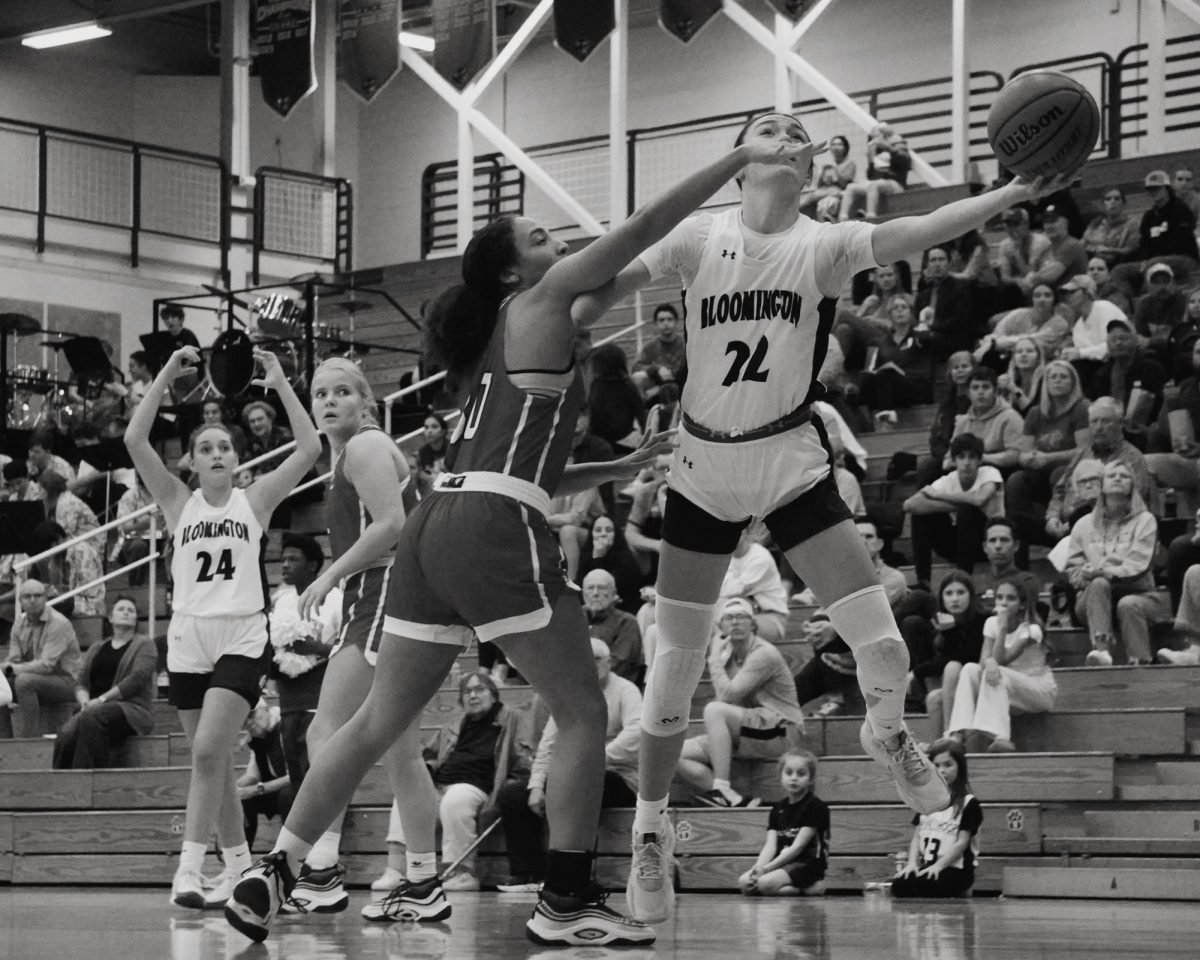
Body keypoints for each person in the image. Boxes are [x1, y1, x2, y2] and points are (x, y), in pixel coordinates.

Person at [227, 133, 802, 947]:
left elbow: (516, 470)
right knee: (580, 713)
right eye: (539, 239)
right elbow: (637, 231)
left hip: (439, 532)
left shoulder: (505, 336)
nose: (557, 242)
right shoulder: (539, 301)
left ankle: (274, 868)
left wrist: (618, 462)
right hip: (492, 533)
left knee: (373, 726)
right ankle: (565, 899)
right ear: (511, 272)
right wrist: (734, 164)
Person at [572, 109, 1070, 925]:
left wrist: (1011, 190)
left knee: (884, 643)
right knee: (671, 671)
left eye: (802, 127)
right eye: (773, 124)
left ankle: (886, 733)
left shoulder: (822, 243)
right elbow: (604, 283)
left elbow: (920, 227)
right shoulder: (700, 237)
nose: (793, 133)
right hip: (701, 466)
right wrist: (556, 313)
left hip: (790, 460)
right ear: (744, 155)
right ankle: (652, 832)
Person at [124, 343, 320, 910]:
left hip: (239, 635)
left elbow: (309, 448)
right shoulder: (176, 501)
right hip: (187, 638)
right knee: (209, 761)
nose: (215, 453)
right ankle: (239, 869)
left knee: (210, 749)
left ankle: (187, 870)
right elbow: (136, 440)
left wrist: (281, 381)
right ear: (191, 461)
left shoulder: (254, 501)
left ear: (236, 459)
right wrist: (164, 376)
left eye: (224, 447)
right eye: (205, 447)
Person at [275, 358, 444, 919]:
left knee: (326, 728)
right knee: (398, 749)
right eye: (320, 392)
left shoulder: (366, 447)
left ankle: (320, 867)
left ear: (365, 402)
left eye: (342, 391)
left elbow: (392, 523)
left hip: (386, 586)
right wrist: (280, 383)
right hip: (390, 590)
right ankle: (424, 881)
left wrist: (327, 574)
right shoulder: (346, 452)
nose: (329, 401)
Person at [496, 638, 641, 893]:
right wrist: (536, 784)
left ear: (609, 662)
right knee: (512, 794)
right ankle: (528, 874)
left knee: (577, 784)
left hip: (618, 776)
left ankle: (570, 875)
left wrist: (595, 759)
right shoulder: (571, 694)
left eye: (597, 659)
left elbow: (637, 733)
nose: (591, 664)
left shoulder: (626, 690)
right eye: (586, 658)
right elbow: (549, 744)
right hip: (575, 771)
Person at [387, 670, 534, 893]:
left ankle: (462, 873)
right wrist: (427, 768)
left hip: (477, 786)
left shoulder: (512, 719)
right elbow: (429, 755)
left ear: (494, 695)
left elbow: (523, 756)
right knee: (406, 799)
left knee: (455, 800)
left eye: (479, 689)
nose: (473, 695)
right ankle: (396, 870)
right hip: (440, 784)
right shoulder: (454, 726)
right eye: (467, 691)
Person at [677, 598, 805, 808]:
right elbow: (726, 702)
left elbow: (727, 698)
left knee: (713, 710)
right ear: (720, 626)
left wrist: (713, 660)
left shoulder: (763, 653)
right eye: (729, 618)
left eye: (741, 617)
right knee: (672, 753)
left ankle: (722, 786)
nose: (735, 622)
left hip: (784, 731)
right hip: (753, 730)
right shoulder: (729, 656)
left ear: (753, 624)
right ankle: (732, 798)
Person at [1066, 461, 1164, 666]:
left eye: (1124, 476)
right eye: (1112, 476)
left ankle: (1141, 662)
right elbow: (1072, 569)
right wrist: (1083, 574)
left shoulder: (1145, 520)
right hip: (1092, 600)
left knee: (1127, 603)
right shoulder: (1083, 524)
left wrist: (1103, 570)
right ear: (1102, 485)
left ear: (1132, 486)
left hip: (1141, 595)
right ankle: (1101, 652)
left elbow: (1138, 566)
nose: (1118, 479)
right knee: (1098, 584)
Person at [266, 533, 340, 793]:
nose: (285, 564)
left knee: (317, 774)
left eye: (293, 559)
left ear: (311, 565)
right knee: (296, 775)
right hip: (288, 701)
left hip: (320, 699)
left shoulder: (335, 601)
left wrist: (313, 648)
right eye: (283, 559)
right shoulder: (281, 602)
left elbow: (350, 653)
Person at [947, 577, 1056, 751]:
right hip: (1008, 690)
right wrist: (989, 660)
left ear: (1021, 605)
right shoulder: (991, 623)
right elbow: (985, 662)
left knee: (999, 672)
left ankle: (1001, 737)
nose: (1003, 603)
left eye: (1010, 598)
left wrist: (1003, 628)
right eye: (1000, 597)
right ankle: (958, 733)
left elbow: (1003, 660)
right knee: (969, 669)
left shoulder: (1032, 629)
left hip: (1038, 690)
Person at [52, 595, 156, 769]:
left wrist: (100, 701)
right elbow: (81, 683)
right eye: (121, 609)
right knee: (65, 733)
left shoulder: (145, 644)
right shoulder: (96, 648)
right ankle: (61, 785)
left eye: (130, 611)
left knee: (94, 717)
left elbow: (136, 679)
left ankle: (90, 781)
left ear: (136, 619)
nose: (126, 613)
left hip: (132, 710)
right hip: (92, 709)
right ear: (111, 618)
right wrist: (85, 701)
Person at [1006, 359, 1090, 554]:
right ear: (1046, 383)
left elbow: (1084, 451)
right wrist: (1028, 458)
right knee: (1016, 480)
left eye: (1063, 377)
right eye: (1053, 377)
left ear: (1073, 382)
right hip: (1040, 474)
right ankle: (1020, 547)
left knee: (1059, 473)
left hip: (1070, 473)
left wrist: (1048, 458)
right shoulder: (1036, 412)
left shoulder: (1081, 408)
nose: (1057, 381)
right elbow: (1023, 454)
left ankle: (1061, 538)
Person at [1044, 397, 1153, 541]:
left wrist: (1077, 523)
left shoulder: (1132, 458)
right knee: (1016, 523)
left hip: (1103, 530)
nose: (1099, 427)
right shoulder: (1083, 454)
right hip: (1065, 526)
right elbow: (1060, 491)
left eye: (1106, 421)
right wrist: (1052, 517)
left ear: (1120, 424)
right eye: (1094, 421)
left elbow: (1130, 501)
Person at [905, 433, 1004, 587]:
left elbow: (980, 499)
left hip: (988, 543)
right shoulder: (948, 479)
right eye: (961, 457)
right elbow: (909, 505)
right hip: (957, 544)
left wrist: (940, 495)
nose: (966, 462)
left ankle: (962, 580)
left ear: (979, 460)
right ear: (954, 460)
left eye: (972, 457)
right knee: (919, 516)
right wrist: (956, 505)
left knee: (967, 513)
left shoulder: (989, 472)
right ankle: (923, 582)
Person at [890, 738, 981, 898]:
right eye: (937, 766)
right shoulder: (926, 801)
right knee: (899, 885)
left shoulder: (969, 803)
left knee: (924, 886)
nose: (942, 770)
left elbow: (961, 843)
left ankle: (959, 892)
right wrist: (912, 864)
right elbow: (917, 836)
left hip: (956, 869)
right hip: (928, 866)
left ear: (960, 767)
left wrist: (939, 866)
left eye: (948, 765)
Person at [901, 572, 985, 739]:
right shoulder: (946, 623)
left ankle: (950, 734)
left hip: (979, 681)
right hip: (958, 684)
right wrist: (948, 632)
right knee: (933, 698)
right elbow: (944, 657)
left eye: (961, 592)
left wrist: (916, 672)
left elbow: (964, 656)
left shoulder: (981, 619)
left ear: (971, 596)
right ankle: (938, 751)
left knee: (952, 667)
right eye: (949, 593)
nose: (955, 599)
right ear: (942, 598)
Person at [737, 750, 829, 897]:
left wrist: (766, 870)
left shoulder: (815, 807)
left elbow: (798, 848)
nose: (794, 778)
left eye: (801, 774)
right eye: (789, 773)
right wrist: (759, 867)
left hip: (807, 864)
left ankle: (808, 888)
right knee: (744, 883)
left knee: (764, 884)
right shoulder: (777, 808)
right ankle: (805, 888)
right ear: (781, 776)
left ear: (810, 779)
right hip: (782, 863)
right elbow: (770, 846)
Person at [1, 579, 82, 738]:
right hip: (39, 679)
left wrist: (11, 668)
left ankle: (29, 740)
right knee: (1, 684)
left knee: (24, 681)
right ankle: (3, 739)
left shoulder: (58, 623)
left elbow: (46, 666)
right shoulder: (19, 624)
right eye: (27, 596)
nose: (32, 600)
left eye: (37, 596)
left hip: (68, 682)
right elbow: (14, 659)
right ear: (20, 601)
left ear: (45, 598)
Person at [855, 293, 933, 427]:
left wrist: (922, 320)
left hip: (916, 387)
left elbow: (927, 339)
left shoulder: (918, 337)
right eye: (895, 308)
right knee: (867, 381)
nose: (900, 310)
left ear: (911, 312)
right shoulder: (877, 342)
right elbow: (869, 371)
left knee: (888, 373)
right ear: (889, 314)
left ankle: (887, 417)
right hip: (887, 387)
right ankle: (865, 423)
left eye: (904, 307)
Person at [1087, 319, 1167, 447]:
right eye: (1113, 340)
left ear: (1135, 341)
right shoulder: (1101, 374)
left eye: (1123, 338)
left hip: (1143, 433)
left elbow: (1162, 404)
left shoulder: (1152, 369)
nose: (1118, 343)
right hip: (1109, 433)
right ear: (1108, 345)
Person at [38, 471, 105, 616]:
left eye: (41, 488)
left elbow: (63, 532)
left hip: (91, 545)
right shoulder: (54, 503)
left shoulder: (66, 503)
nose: (38, 492)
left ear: (49, 488)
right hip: (75, 546)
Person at [1146, 338, 1200, 514]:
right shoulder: (1187, 387)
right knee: (1144, 464)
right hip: (1191, 460)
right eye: (1199, 352)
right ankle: (1152, 524)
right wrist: (1169, 403)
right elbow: (1163, 430)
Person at [717, 524, 790, 645]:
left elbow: (733, 591)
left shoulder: (760, 556)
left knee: (731, 625)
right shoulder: (725, 558)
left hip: (771, 618)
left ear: (745, 533)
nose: (728, 537)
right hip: (738, 614)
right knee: (711, 621)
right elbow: (719, 590)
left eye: (733, 533)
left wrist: (725, 587)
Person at [237, 699, 294, 848]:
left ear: (266, 709)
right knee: (242, 799)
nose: (248, 722)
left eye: (252, 715)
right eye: (243, 720)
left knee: (287, 794)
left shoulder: (286, 726)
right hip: (277, 791)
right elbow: (253, 774)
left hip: (302, 790)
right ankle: (241, 855)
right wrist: (234, 790)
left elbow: (295, 775)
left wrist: (257, 789)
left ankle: (293, 852)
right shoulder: (258, 738)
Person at [944, 367, 1023, 473]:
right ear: (968, 393)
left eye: (985, 387)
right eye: (975, 388)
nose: (980, 392)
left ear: (995, 391)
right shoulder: (963, 421)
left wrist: (980, 458)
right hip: (967, 469)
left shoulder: (1010, 417)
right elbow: (950, 456)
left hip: (1000, 470)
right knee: (929, 466)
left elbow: (1014, 456)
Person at [976, 281, 1069, 365]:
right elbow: (996, 335)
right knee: (989, 356)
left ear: (1055, 300)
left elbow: (1032, 341)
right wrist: (994, 344)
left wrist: (997, 343)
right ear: (1032, 300)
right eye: (1037, 296)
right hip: (1007, 355)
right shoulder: (1018, 314)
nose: (1042, 300)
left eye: (1047, 295)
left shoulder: (1060, 324)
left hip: (1039, 361)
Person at [581, 569, 644, 685]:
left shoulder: (626, 622)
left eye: (602, 588)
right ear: (583, 593)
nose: (595, 593)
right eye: (590, 588)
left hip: (611, 690)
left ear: (614, 593)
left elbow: (617, 666)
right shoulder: (575, 617)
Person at [838, 123, 911, 221]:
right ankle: (842, 218)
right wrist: (871, 160)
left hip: (897, 183)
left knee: (873, 185)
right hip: (880, 184)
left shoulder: (897, 143)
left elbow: (905, 163)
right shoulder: (876, 149)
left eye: (877, 135)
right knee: (850, 187)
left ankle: (871, 217)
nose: (874, 139)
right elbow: (871, 177)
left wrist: (888, 148)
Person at [915, 245, 978, 358]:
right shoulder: (923, 294)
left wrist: (932, 327)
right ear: (927, 265)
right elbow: (916, 319)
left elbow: (959, 321)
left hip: (953, 338)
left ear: (949, 263)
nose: (937, 264)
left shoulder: (961, 288)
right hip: (927, 335)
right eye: (933, 260)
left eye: (941, 259)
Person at [578, 514, 647, 614]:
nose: (603, 534)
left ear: (616, 534)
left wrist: (598, 558)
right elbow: (580, 586)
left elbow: (605, 589)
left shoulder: (626, 560)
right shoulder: (586, 555)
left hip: (622, 611)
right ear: (591, 534)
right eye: (598, 530)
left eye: (608, 530)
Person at [587, 343, 646, 452]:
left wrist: (646, 440)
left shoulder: (627, 386)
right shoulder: (596, 383)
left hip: (623, 440)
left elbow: (641, 414)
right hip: (599, 438)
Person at [633, 303, 687, 398]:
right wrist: (657, 369)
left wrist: (659, 388)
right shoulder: (650, 347)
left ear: (676, 322)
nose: (666, 323)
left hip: (681, 391)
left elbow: (683, 373)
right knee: (638, 377)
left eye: (670, 319)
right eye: (661, 320)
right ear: (655, 324)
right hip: (655, 394)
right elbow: (636, 367)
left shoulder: (685, 346)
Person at [801, 134, 855, 222]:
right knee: (814, 200)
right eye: (833, 144)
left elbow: (845, 184)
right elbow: (819, 185)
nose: (836, 147)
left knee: (815, 200)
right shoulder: (828, 165)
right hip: (824, 191)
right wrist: (822, 173)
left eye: (839, 144)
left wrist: (835, 169)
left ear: (845, 147)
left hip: (837, 191)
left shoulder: (850, 163)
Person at [1083, 187, 1140, 267]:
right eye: (1108, 199)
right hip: (1092, 264)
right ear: (1103, 205)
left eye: (1117, 199)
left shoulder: (1132, 224)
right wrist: (1094, 249)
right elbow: (1083, 244)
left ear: (1124, 203)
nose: (1112, 202)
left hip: (1118, 265)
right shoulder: (1095, 223)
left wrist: (1109, 250)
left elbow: (1132, 250)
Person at [998, 337, 1045, 415]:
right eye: (1019, 352)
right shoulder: (1008, 381)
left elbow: (1033, 415)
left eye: (1029, 351)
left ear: (1038, 358)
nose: (1024, 355)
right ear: (1014, 359)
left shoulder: (1045, 380)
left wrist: (1014, 390)